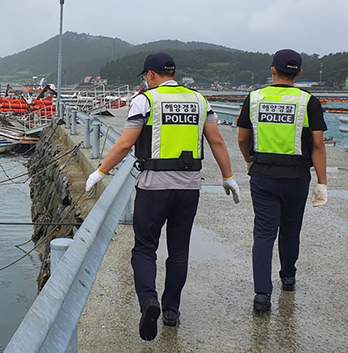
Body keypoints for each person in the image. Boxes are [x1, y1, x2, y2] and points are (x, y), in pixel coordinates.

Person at [85, 52, 240, 341]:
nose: (145, 80)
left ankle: (149, 302)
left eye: (146, 76)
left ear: (151, 75)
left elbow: (125, 143)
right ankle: (171, 311)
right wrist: (228, 177)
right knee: (179, 251)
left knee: (144, 249)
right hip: (189, 188)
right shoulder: (199, 100)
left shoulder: (146, 100)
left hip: (153, 188)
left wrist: (100, 173)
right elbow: (216, 140)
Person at [236, 49, 328, 313]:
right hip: (296, 176)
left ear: (273, 70)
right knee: (290, 229)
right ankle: (288, 276)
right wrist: (322, 182)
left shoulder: (254, 98)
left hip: (263, 174)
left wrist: (249, 161)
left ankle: (262, 295)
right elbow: (318, 145)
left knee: (264, 233)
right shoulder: (308, 101)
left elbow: (242, 139)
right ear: (299, 73)